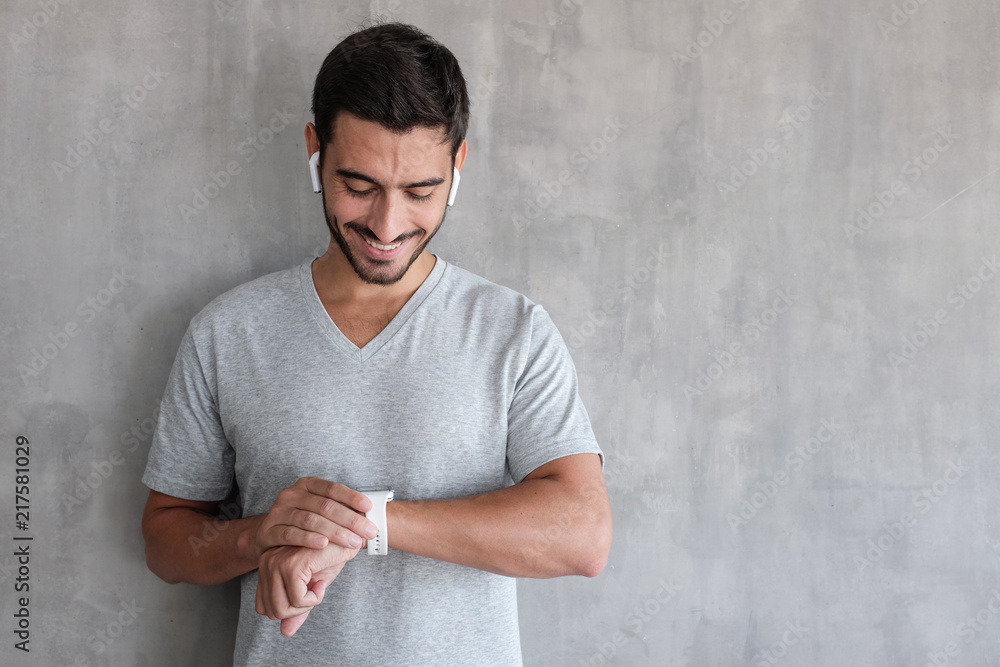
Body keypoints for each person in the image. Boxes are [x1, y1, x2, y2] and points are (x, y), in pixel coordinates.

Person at [140, 21, 612, 666]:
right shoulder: (228, 331)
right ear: (315, 151)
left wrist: (367, 528)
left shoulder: (514, 331)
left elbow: (582, 536)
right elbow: (166, 540)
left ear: (458, 164)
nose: (387, 226)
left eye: (420, 191)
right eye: (358, 186)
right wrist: (262, 539)